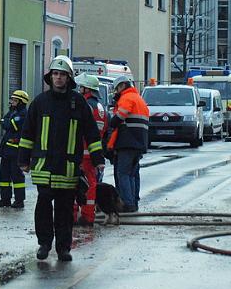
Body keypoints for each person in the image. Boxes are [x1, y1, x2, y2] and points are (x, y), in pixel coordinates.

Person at [18, 56, 103, 261]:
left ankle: (64, 248)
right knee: (43, 208)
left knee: (65, 211)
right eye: (55, 74)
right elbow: (27, 133)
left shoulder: (78, 103)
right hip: (44, 167)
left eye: (62, 75)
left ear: (69, 78)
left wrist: (98, 158)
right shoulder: (40, 102)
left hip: (67, 168)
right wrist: (23, 159)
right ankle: (44, 245)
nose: (58, 78)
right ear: (50, 77)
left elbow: (91, 133)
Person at [106, 74, 149, 213]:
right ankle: (134, 201)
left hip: (127, 142)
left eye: (116, 88)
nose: (116, 91)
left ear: (122, 86)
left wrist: (112, 122)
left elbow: (120, 116)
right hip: (139, 142)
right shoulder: (140, 100)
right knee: (133, 174)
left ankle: (127, 204)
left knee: (123, 174)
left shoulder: (127, 98)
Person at [74, 74, 109, 225]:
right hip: (94, 153)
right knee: (91, 184)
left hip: (81, 152)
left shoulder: (85, 105)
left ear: (86, 88)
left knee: (76, 185)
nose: (79, 89)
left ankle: (73, 216)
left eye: (81, 87)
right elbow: (104, 130)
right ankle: (89, 216)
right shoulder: (101, 107)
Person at [0, 90, 29, 208]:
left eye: (15, 100)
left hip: (16, 152)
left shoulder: (23, 114)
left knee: (17, 177)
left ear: (21, 102)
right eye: (12, 100)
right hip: (6, 151)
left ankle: (19, 201)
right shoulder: (13, 112)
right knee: (4, 176)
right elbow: (3, 122)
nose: (12, 102)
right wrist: (6, 121)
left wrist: (6, 122)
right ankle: (5, 199)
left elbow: (9, 125)